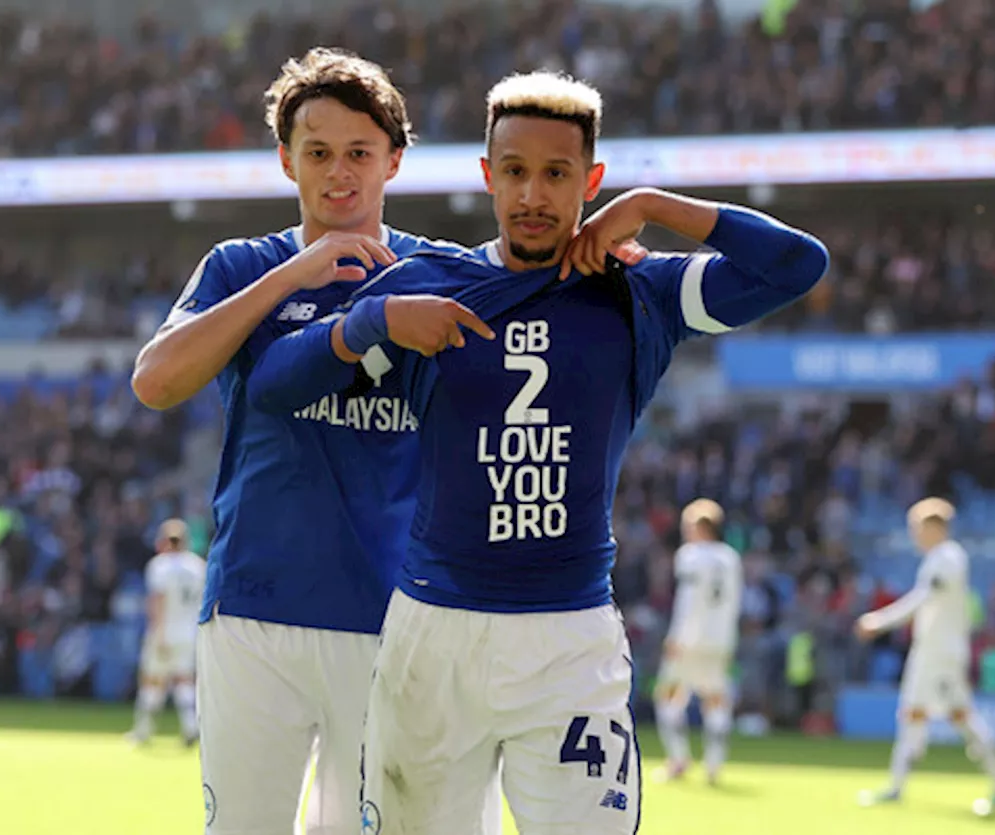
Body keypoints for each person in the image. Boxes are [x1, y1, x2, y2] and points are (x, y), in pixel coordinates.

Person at [246, 70, 829, 834]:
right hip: (435, 637)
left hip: (569, 645)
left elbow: (797, 265)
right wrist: (372, 322)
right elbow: (273, 388)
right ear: (488, 176)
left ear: (591, 181)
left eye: (556, 174)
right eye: (515, 172)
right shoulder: (430, 286)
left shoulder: (636, 292)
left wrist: (653, 206)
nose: (532, 195)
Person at [130, 48, 491, 835]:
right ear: (286, 158)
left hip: (396, 620)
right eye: (318, 152)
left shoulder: (442, 272)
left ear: (394, 159)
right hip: (256, 613)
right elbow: (155, 381)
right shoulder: (242, 266)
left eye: (359, 153)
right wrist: (294, 276)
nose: (339, 173)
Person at [854, 498, 995, 817]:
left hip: (942, 655)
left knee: (960, 716)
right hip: (929, 651)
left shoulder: (948, 558)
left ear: (935, 527)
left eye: (918, 528)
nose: (915, 535)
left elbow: (920, 599)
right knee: (913, 713)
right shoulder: (937, 559)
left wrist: (878, 621)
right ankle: (897, 786)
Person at [653, 498, 743, 786]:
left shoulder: (690, 556)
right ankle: (714, 765)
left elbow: (689, 601)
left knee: (667, 694)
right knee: (715, 698)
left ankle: (678, 759)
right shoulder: (730, 557)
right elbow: (734, 602)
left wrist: (677, 636)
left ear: (701, 527)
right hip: (721, 639)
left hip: (690, 638)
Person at [126, 519, 207, 746]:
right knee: (184, 680)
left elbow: (157, 600)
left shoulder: (160, 566)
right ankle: (191, 728)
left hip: (165, 631)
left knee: (152, 679)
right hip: (189, 632)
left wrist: (158, 633)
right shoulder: (197, 566)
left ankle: (142, 731)